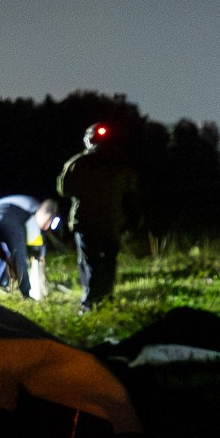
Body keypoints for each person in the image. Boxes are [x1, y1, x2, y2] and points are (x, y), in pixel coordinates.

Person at [57, 121, 141, 310]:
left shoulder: (77, 163)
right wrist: (131, 221)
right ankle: (106, 298)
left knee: (89, 263)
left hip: (86, 222)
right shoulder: (122, 165)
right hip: (112, 222)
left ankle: (90, 304)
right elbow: (132, 194)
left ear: (88, 140)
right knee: (108, 262)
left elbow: (64, 189)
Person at [0, 194, 62, 298]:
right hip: (8, 218)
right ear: (46, 213)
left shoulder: (28, 205)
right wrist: (37, 253)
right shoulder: (35, 211)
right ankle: (26, 293)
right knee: (19, 257)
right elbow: (34, 243)